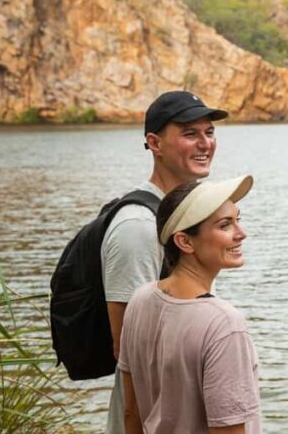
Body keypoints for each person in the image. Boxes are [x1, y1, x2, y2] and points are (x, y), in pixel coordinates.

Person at [103, 90, 228, 434]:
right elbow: (129, 349)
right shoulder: (138, 228)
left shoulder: (176, 218)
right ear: (154, 143)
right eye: (190, 134)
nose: (205, 144)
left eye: (209, 132)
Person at [118, 177, 261, 434]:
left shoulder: (139, 301)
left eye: (238, 219)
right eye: (225, 225)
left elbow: (131, 412)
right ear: (185, 241)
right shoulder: (224, 325)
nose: (241, 233)